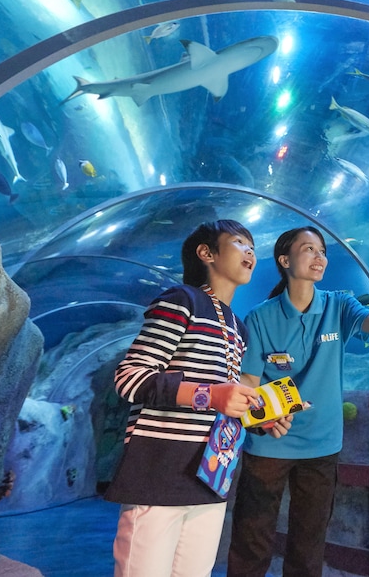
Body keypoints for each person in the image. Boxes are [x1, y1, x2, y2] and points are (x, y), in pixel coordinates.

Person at [227, 225, 369, 577]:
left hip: (321, 443)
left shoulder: (338, 304)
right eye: (309, 249)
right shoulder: (260, 317)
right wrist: (260, 418)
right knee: (252, 536)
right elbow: (249, 380)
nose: (319, 257)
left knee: (309, 543)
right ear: (285, 260)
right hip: (270, 441)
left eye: (322, 251)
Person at [104, 219, 289, 577]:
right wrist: (210, 395)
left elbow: (223, 402)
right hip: (161, 472)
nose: (251, 252)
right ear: (206, 253)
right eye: (240, 242)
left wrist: (259, 418)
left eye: (253, 247)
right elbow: (130, 377)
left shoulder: (238, 328)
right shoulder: (181, 301)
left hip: (211, 476)